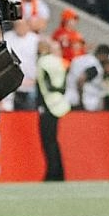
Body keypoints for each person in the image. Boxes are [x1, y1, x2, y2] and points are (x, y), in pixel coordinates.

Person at [35, 37, 70, 181]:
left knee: (48, 141)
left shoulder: (44, 61)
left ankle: (53, 172)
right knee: (53, 141)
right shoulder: (60, 63)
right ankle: (59, 172)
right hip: (58, 103)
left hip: (47, 104)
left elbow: (44, 84)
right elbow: (62, 86)